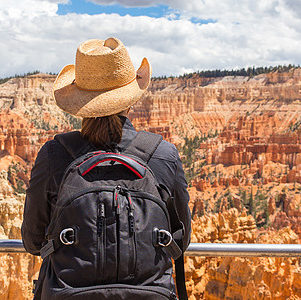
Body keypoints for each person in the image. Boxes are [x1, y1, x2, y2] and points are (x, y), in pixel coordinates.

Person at [22, 37, 191, 299]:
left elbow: (33, 241)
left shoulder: (54, 155)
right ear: (131, 99)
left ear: (79, 104)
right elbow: (181, 240)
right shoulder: (163, 155)